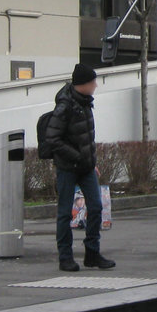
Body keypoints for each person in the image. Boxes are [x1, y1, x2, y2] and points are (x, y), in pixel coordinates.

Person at [45, 63, 115, 272]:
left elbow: (86, 138)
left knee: (95, 207)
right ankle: (65, 257)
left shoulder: (85, 103)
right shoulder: (64, 106)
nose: (95, 85)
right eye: (93, 82)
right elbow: (52, 138)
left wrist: (91, 163)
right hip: (68, 167)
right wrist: (77, 157)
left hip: (86, 167)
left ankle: (92, 253)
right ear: (82, 84)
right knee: (65, 212)